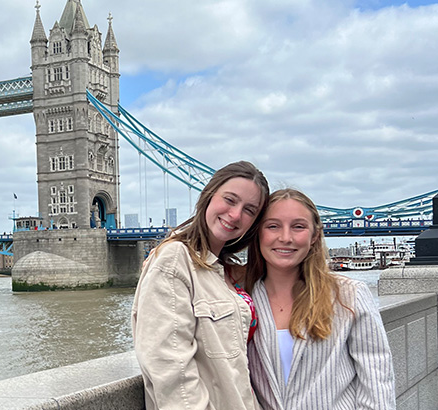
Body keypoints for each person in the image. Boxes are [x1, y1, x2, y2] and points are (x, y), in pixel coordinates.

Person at [131, 161, 269, 410]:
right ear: (208, 195)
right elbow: (169, 367)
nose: (236, 214)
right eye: (229, 199)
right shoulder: (175, 258)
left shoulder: (224, 270)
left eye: (249, 210)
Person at [244, 189, 395, 409]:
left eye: (298, 226)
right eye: (273, 226)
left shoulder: (350, 295)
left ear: (314, 235)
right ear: (258, 233)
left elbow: (377, 380)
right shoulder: (241, 300)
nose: (285, 238)